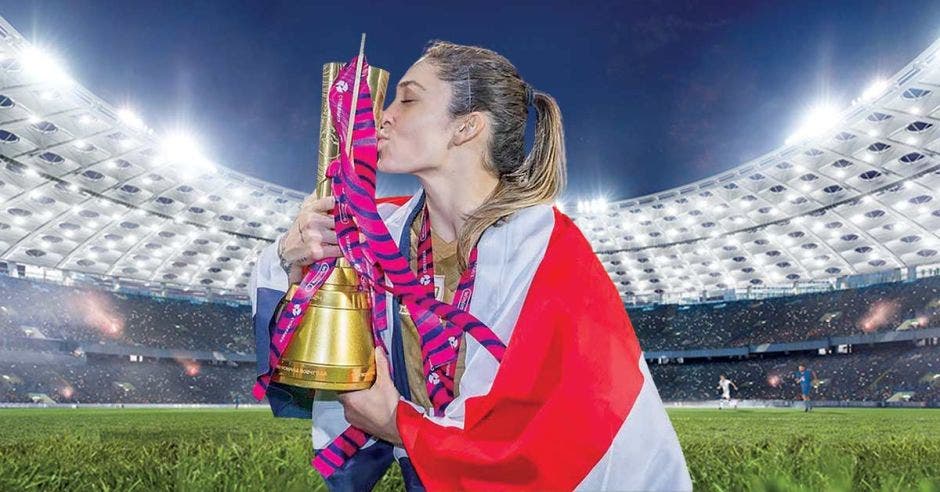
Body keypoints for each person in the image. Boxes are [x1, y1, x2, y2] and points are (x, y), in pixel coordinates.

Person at [251, 40, 691, 491]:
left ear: (465, 127)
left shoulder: (549, 254)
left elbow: (546, 446)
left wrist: (397, 423)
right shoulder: (376, 232)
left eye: (408, 98)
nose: (383, 115)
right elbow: (304, 344)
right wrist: (294, 255)